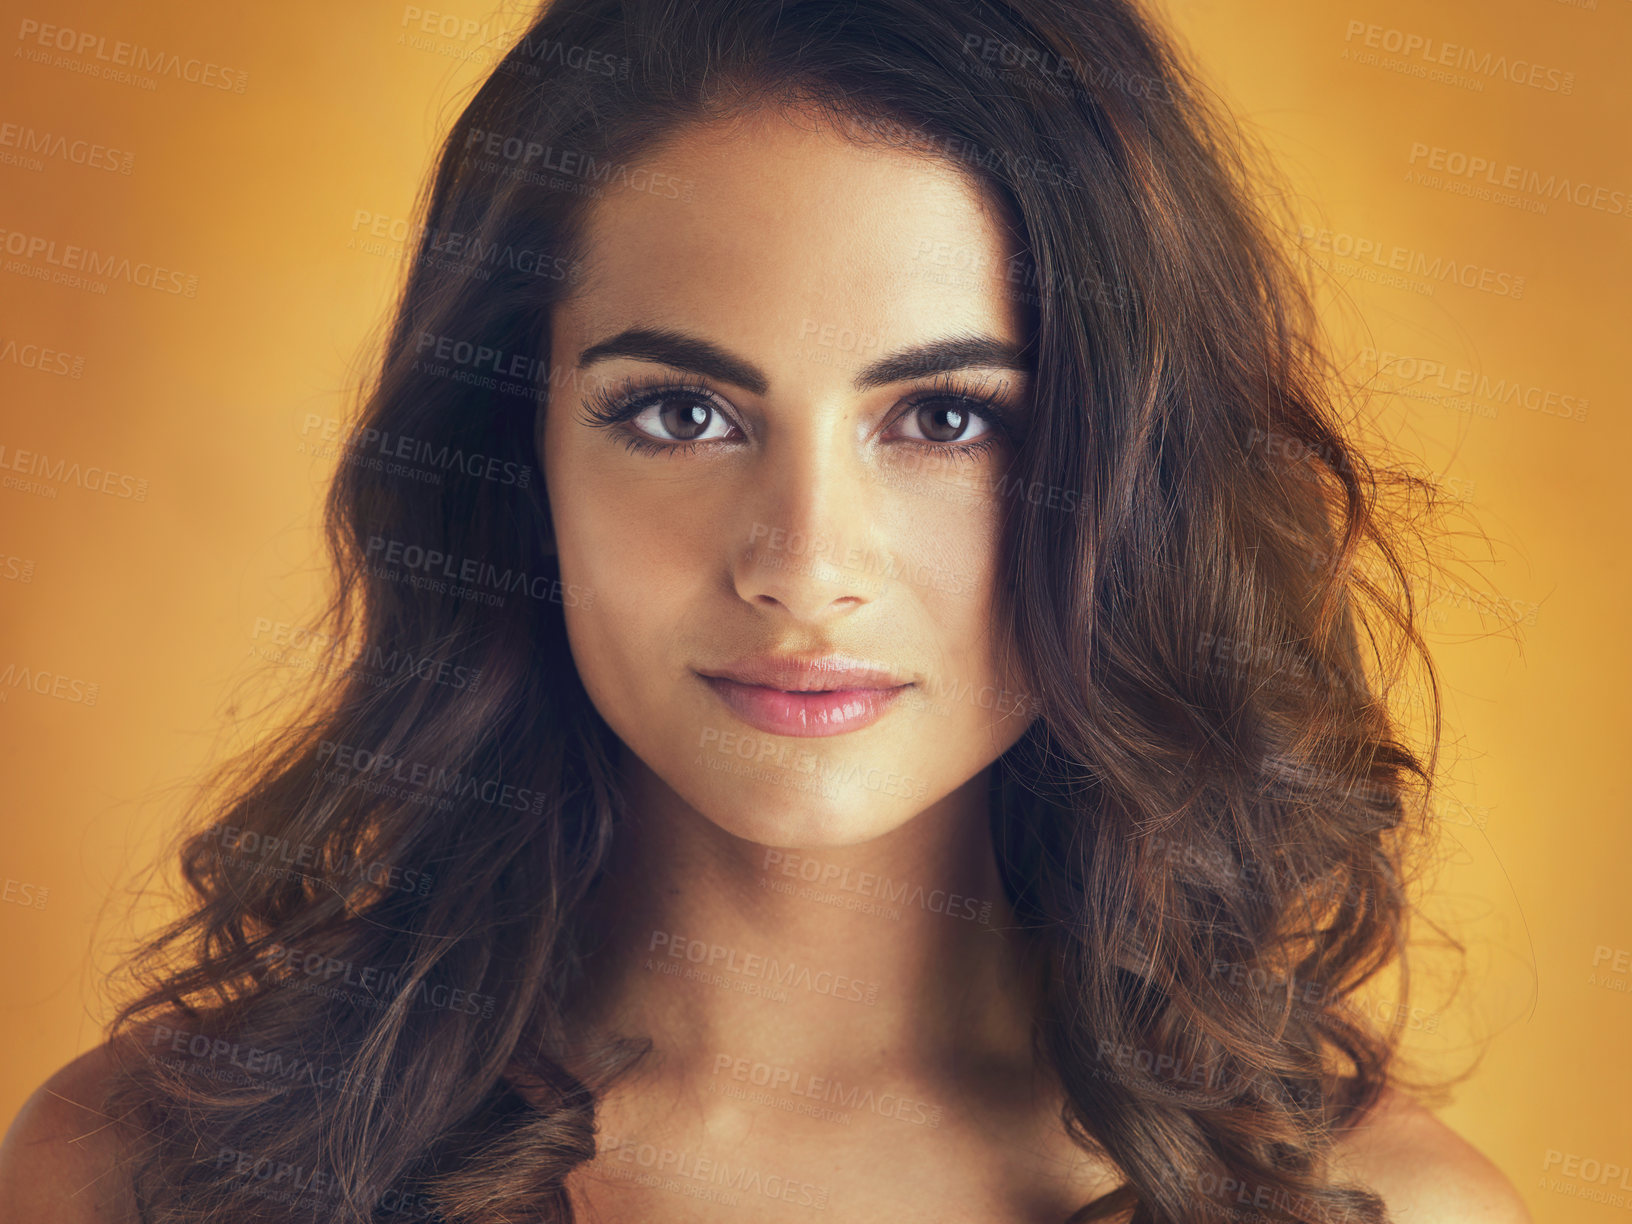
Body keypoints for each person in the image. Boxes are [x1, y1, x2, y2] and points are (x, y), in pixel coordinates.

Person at [0, 0, 1534, 1220]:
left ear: (1129, 480)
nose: (804, 566)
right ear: (511, 455)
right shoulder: (152, 1172)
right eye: (679, 414)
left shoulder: (1380, 1213)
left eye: (944, 419)